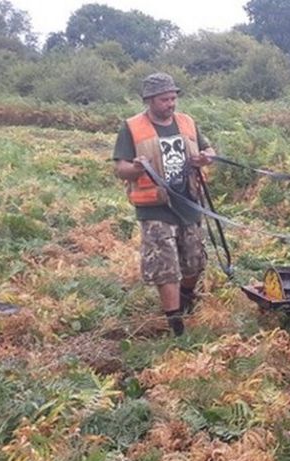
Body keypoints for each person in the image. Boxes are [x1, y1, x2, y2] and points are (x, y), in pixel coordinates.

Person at [113, 72, 216, 336]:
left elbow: (209, 150)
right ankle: (175, 323)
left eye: (173, 98)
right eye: (164, 100)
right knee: (165, 265)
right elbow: (120, 168)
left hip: (189, 202)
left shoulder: (187, 122)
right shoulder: (132, 127)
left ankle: (186, 296)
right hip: (155, 206)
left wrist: (205, 158)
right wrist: (135, 168)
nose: (171, 104)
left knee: (194, 261)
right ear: (149, 100)